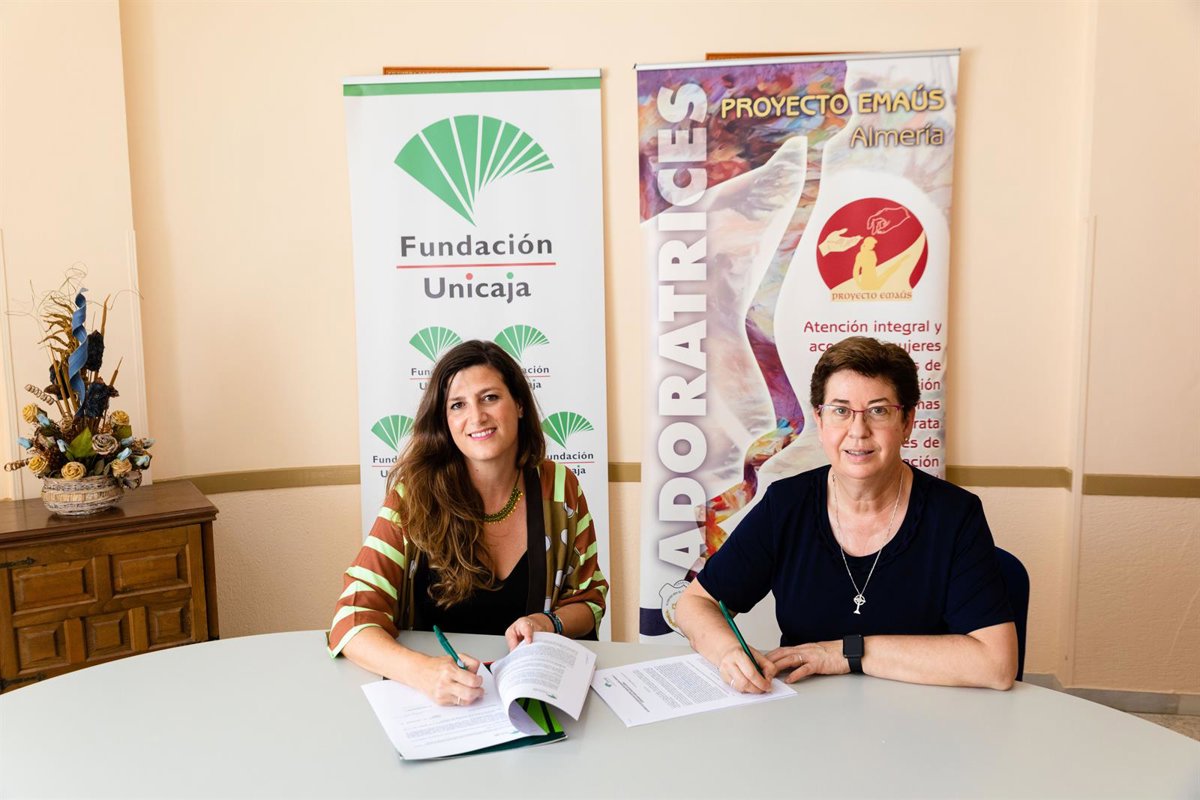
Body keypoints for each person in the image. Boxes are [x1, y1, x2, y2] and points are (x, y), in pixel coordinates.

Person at [675, 336, 1017, 692]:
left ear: (907, 422)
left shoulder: (955, 515)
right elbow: (696, 603)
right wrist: (729, 653)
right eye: (840, 411)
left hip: (921, 712)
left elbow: (996, 664)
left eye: (878, 411)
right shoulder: (786, 505)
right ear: (819, 421)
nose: (858, 431)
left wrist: (846, 653)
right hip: (808, 711)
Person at [328, 340, 608, 705]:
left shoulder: (559, 486)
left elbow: (590, 598)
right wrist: (423, 673)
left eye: (490, 397)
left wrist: (547, 623)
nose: (476, 417)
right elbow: (351, 617)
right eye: (457, 405)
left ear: (519, 404)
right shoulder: (413, 496)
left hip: (528, 700)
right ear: (444, 421)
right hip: (436, 704)